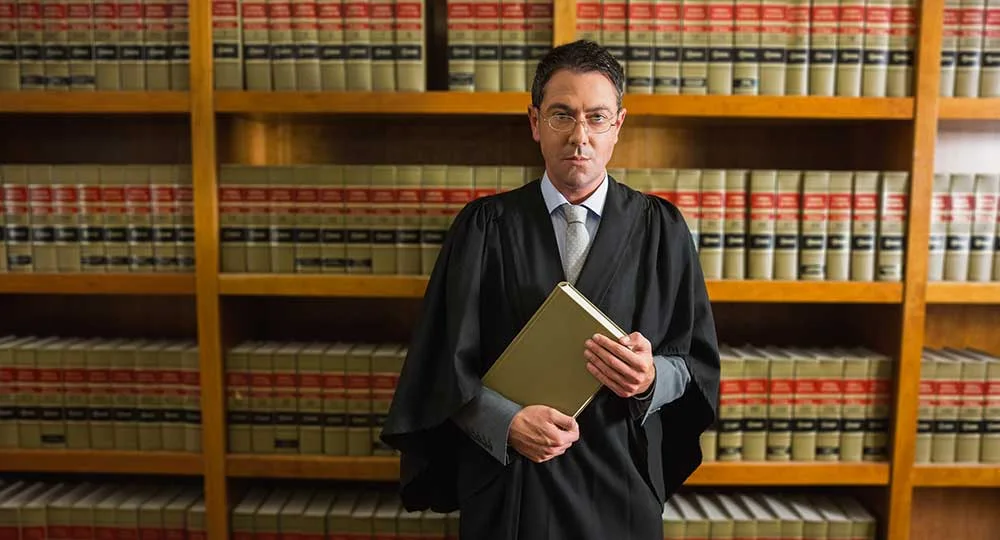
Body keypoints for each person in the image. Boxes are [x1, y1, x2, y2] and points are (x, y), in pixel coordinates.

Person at [379, 39, 720, 540]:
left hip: (621, 486)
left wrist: (651, 378)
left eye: (597, 118)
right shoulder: (484, 227)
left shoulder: (661, 230)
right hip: (512, 488)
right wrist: (505, 423)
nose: (580, 137)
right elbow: (439, 370)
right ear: (535, 122)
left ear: (618, 126)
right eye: (562, 115)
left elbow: (695, 366)